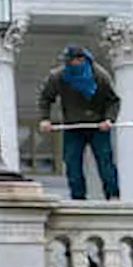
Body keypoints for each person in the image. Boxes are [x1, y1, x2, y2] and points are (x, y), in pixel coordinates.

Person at [36, 45, 122, 201]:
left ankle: (113, 194)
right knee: (72, 163)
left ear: (81, 60)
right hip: (73, 127)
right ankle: (78, 197)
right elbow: (45, 98)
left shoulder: (100, 76)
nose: (68, 65)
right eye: (66, 62)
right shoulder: (58, 76)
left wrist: (109, 119)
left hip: (98, 126)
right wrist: (45, 118)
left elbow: (113, 101)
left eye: (71, 61)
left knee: (105, 162)